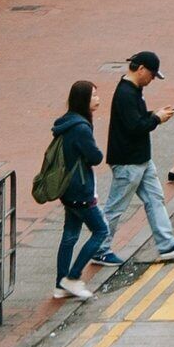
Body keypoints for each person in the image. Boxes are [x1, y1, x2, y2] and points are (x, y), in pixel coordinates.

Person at [104, 53, 174, 262]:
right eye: (152, 75)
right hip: (127, 161)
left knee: (155, 199)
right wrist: (156, 119)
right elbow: (135, 127)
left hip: (141, 159)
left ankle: (167, 243)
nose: (152, 79)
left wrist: (154, 114)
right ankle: (100, 248)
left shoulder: (133, 90)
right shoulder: (126, 94)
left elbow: (136, 119)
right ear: (141, 69)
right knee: (115, 207)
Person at [49, 80, 115, 298]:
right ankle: (73, 277)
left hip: (68, 189)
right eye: (93, 95)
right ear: (83, 100)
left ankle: (60, 285)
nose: (98, 99)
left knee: (69, 235)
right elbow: (95, 157)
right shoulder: (81, 128)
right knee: (101, 231)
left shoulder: (66, 123)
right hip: (81, 190)